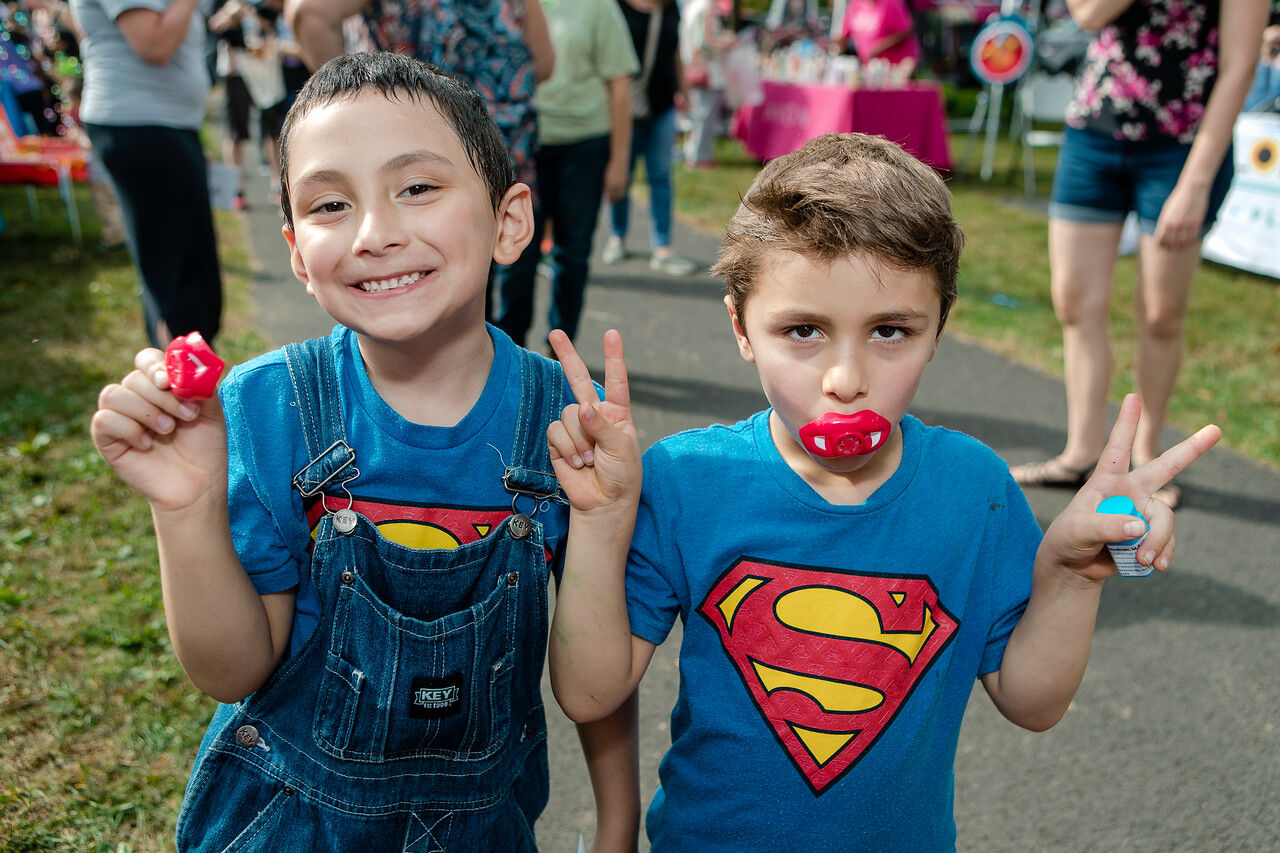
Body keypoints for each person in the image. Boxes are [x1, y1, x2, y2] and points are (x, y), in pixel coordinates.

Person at [542, 133, 1222, 850]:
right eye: (802, 330)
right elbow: (589, 691)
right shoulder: (686, 480)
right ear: (741, 326)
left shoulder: (974, 490)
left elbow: (1032, 700)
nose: (845, 378)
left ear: (938, 330)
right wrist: (601, 517)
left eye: (890, 331)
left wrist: (1073, 573)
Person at [90, 52, 640, 849]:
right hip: (287, 819)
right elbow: (233, 670)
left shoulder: (565, 424)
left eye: (417, 187)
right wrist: (185, 509)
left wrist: (605, 520)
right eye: (330, 204)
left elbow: (592, 689)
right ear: (295, 254)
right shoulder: (267, 405)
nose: (376, 234)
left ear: (510, 221)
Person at [1011, 0, 1266, 509]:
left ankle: (1147, 460)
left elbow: (1240, 65)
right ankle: (1082, 452)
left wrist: (1195, 183)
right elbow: (1086, 15)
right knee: (1074, 302)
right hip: (1095, 127)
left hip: (1181, 143)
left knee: (1160, 313)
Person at [69, 0, 223, 347]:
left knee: (177, 265)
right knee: (176, 274)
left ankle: (181, 373)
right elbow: (154, 45)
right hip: (142, 125)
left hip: (160, 124)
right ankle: (182, 382)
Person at [285, 0, 555, 197]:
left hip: (408, 152)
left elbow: (308, 13)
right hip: (503, 154)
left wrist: (347, 101)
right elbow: (544, 63)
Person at [493, 0, 639, 350]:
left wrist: (619, 161)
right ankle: (508, 353)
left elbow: (620, 87)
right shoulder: (512, 5)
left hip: (584, 147)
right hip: (524, 144)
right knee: (516, 252)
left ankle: (560, 354)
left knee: (572, 254)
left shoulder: (598, 8)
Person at [600, 0, 697, 277]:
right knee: (622, 173)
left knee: (661, 176)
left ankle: (662, 246)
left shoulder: (670, 8)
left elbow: (675, 51)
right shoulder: (616, 6)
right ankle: (617, 237)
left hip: (662, 105)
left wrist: (685, 91)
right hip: (625, 108)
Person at [678, 0, 734, 169]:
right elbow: (706, 40)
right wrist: (728, 43)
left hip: (694, 65)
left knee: (698, 114)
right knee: (705, 115)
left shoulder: (692, 6)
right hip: (708, 69)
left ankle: (693, 154)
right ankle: (699, 158)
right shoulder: (706, 6)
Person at [839, 0, 919, 66]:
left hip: (894, 66)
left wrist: (878, 48)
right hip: (869, 66)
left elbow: (905, 31)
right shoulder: (855, 4)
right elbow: (844, 36)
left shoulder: (891, 3)